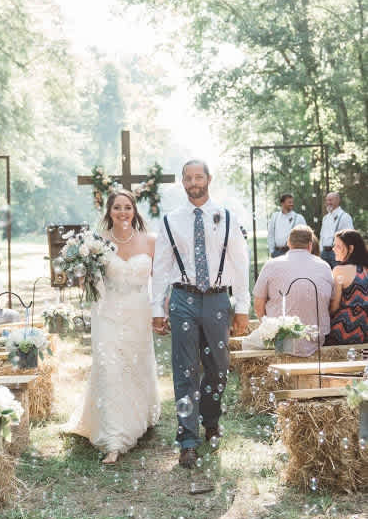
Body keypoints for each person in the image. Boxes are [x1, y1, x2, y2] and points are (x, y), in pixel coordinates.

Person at [152, 160, 250, 468]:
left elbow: (240, 263)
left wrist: (242, 307)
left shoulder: (227, 217)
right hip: (183, 298)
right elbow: (161, 266)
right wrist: (157, 307)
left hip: (218, 299)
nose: (194, 182)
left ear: (208, 179)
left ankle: (211, 420)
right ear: (182, 182)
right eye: (188, 178)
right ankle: (187, 440)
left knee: (218, 367)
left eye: (199, 177)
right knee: (185, 369)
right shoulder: (171, 220)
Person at [66, 190, 160, 464]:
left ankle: (138, 416)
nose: (122, 212)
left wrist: (159, 312)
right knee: (109, 369)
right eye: (117, 207)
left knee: (135, 366)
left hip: (138, 313)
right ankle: (114, 438)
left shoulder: (151, 241)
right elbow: (86, 282)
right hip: (106, 313)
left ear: (134, 210)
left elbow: (160, 280)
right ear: (109, 211)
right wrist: (82, 272)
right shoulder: (96, 241)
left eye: (127, 207)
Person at [250, 225, 333, 355]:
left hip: (279, 339)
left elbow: (258, 304)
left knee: (246, 344)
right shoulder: (325, 267)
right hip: (315, 340)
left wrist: (269, 328)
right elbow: (332, 304)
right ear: (310, 245)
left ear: (288, 243)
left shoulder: (271, 265)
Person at [326, 230, 368, 344]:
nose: (333, 249)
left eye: (338, 246)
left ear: (350, 248)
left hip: (343, 330)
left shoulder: (340, 270)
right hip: (365, 331)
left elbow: (334, 306)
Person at [320, 192, 353, 268]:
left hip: (337, 253)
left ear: (338, 200)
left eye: (330, 200)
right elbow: (322, 236)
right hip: (324, 253)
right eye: (327, 200)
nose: (328, 202)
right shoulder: (325, 218)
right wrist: (321, 250)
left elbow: (350, 236)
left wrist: (344, 253)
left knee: (338, 274)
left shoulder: (345, 217)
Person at [268, 194, 306, 258]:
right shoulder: (275, 217)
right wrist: (272, 251)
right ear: (282, 203)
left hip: (292, 253)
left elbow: (305, 236)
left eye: (292, 202)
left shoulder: (299, 218)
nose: (292, 204)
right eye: (289, 202)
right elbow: (271, 234)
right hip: (277, 253)